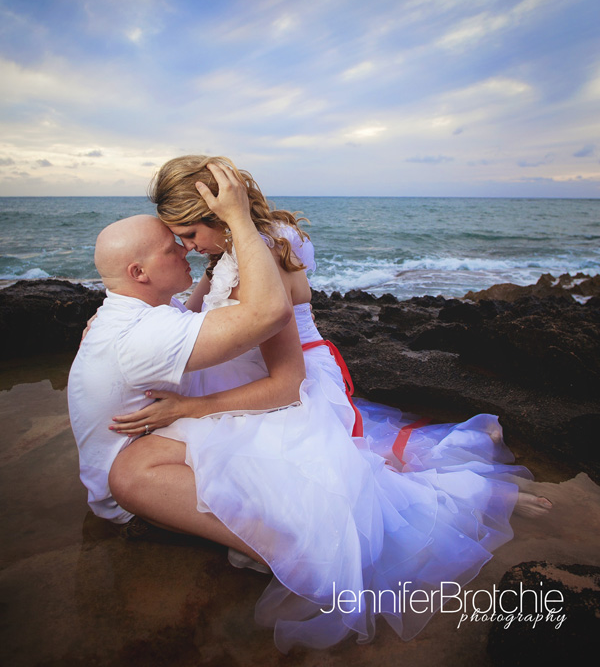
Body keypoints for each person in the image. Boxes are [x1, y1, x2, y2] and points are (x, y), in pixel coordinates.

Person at [109, 155, 552, 653]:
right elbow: (187, 317)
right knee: (223, 468)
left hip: (283, 387)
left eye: (190, 234)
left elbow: (284, 384)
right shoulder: (226, 253)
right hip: (251, 376)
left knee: (328, 488)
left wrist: (189, 408)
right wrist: (120, 322)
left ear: (220, 215)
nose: (187, 249)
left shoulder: (262, 257)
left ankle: (445, 506)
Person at [68, 163, 302, 564]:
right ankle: (280, 550)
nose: (185, 249)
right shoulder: (142, 333)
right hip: (139, 494)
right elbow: (267, 313)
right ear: (138, 273)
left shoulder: (143, 311)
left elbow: (199, 313)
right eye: (172, 246)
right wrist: (238, 217)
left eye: (186, 237)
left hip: (159, 448)